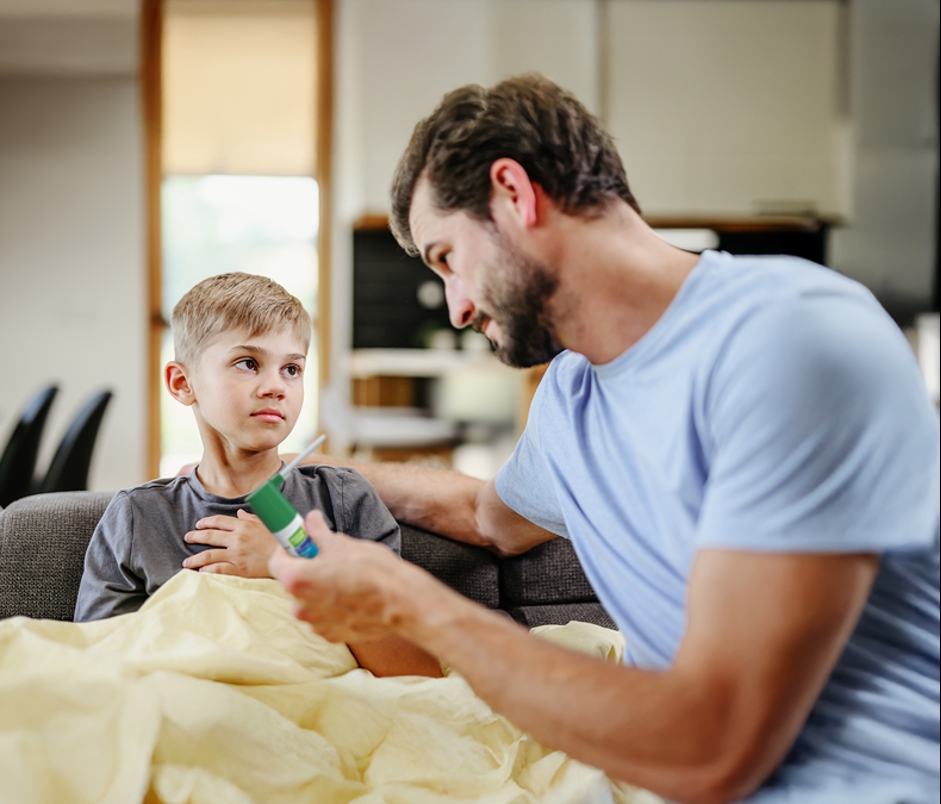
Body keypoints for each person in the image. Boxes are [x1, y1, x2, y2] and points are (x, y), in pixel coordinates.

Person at [261, 74, 940, 802]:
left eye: (447, 258)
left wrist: (411, 605)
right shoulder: (571, 396)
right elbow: (486, 516)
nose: (456, 309)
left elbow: (715, 748)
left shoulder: (787, 340)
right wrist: (325, 470)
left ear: (513, 194)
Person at [74, 272, 440, 678]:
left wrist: (295, 563)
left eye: (292, 369)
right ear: (182, 383)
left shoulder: (344, 501)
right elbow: (96, 673)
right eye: (248, 363)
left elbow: (414, 671)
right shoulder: (138, 517)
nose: (276, 387)